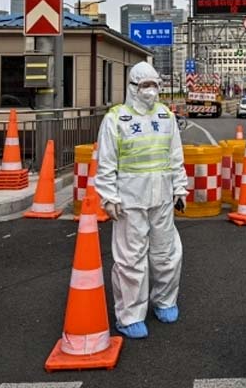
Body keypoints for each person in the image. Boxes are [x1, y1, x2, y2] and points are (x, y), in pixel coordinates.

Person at [94, 62, 187, 340]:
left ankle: (165, 301)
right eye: (144, 85)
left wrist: (180, 189)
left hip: (161, 197)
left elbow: (175, 156)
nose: (150, 91)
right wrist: (108, 197)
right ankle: (130, 315)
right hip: (129, 200)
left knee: (166, 253)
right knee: (130, 259)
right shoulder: (116, 119)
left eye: (154, 85)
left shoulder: (166, 116)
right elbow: (106, 162)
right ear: (133, 87)